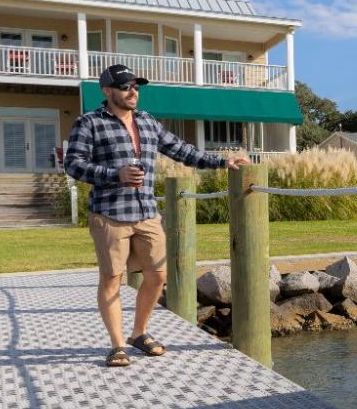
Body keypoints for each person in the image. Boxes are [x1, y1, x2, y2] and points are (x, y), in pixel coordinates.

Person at [63, 63, 250, 367]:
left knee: (158, 274)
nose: (133, 91)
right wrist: (115, 174)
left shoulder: (148, 122)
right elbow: (73, 164)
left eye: (136, 86)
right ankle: (117, 345)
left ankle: (140, 333)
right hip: (110, 214)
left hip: (146, 212)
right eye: (125, 87)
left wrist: (221, 162)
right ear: (107, 91)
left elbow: (181, 150)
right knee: (112, 277)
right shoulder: (89, 123)